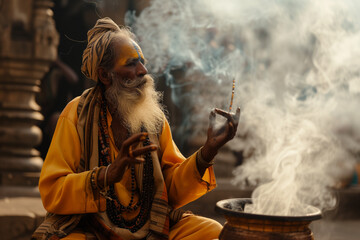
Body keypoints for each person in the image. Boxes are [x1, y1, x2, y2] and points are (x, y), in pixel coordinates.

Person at [32, 17, 240, 240]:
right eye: (131, 63)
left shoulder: (154, 118)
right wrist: (107, 175)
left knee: (211, 231)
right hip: (94, 228)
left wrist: (208, 152)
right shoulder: (76, 114)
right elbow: (53, 191)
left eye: (142, 61)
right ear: (104, 75)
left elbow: (170, 190)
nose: (143, 70)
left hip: (150, 224)